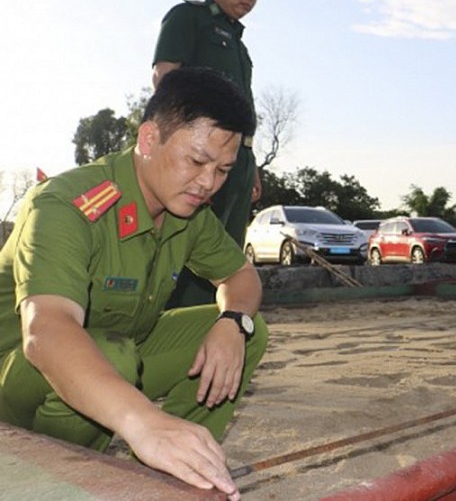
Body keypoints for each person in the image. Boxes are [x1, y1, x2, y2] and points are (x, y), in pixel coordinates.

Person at [0, 68, 268, 500]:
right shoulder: (66, 204)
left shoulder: (188, 210)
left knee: (245, 332)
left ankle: (183, 464)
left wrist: (234, 322)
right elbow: (45, 333)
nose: (208, 184)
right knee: (113, 354)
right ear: (148, 139)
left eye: (222, 170)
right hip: (15, 383)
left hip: (120, 358)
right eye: (197, 161)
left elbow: (241, 275)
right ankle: (58, 482)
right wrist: (143, 421)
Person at [152, 0, 276, 308]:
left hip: (235, 160)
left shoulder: (240, 46)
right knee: (187, 243)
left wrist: (249, 163)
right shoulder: (188, 18)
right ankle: (174, 322)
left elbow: (243, 110)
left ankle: (209, 322)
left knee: (226, 249)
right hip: (200, 155)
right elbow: (165, 78)